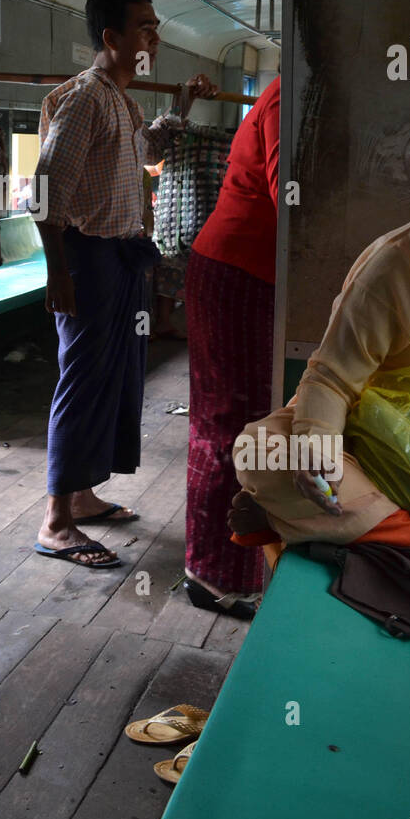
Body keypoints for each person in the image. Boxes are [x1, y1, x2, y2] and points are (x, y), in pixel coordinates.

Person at [32, 0, 217, 568]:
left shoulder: (123, 100)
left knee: (111, 380)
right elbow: (46, 190)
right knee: (83, 382)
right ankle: (56, 522)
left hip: (119, 257)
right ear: (111, 37)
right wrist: (58, 274)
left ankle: (83, 497)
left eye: (156, 26)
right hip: (86, 259)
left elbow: (142, 150)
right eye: (144, 26)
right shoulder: (87, 98)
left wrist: (182, 106)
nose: (154, 37)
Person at [230, 121, 410, 552]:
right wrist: (316, 450)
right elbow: (331, 379)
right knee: (264, 452)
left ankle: (310, 524)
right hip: (373, 434)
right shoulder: (393, 269)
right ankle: (405, 535)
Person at [182, 75, 280, 617]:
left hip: (246, 272)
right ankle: (214, 577)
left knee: (240, 421)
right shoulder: (293, 96)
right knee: (228, 426)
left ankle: (230, 568)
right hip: (238, 272)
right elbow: (293, 198)